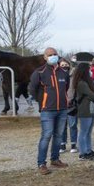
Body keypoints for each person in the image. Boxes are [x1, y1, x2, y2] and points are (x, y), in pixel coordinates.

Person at [29, 47, 69, 175]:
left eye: (55, 54)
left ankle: (55, 159)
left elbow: (66, 88)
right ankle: (41, 163)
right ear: (45, 57)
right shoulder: (39, 72)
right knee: (46, 136)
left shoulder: (63, 72)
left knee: (58, 136)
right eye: (50, 54)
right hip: (47, 110)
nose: (53, 56)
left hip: (62, 109)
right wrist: (42, 102)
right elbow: (32, 89)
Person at [73, 62, 94, 160]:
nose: (91, 71)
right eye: (89, 69)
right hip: (85, 110)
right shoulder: (81, 83)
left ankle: (88, 150)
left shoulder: (87, 82)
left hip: (91, 108)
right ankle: (83, 153)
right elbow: (92, 95)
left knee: (88, 132)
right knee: (84, 132)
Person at [58, 58, 78, 153]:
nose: (64, 67)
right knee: (62, 125)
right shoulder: (56, 76)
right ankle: (62, 144)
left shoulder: (73, 77)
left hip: (71, 104)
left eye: (66, 65)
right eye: (62, 65)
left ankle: (73, 144)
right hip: (60, 104)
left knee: (73, 125)